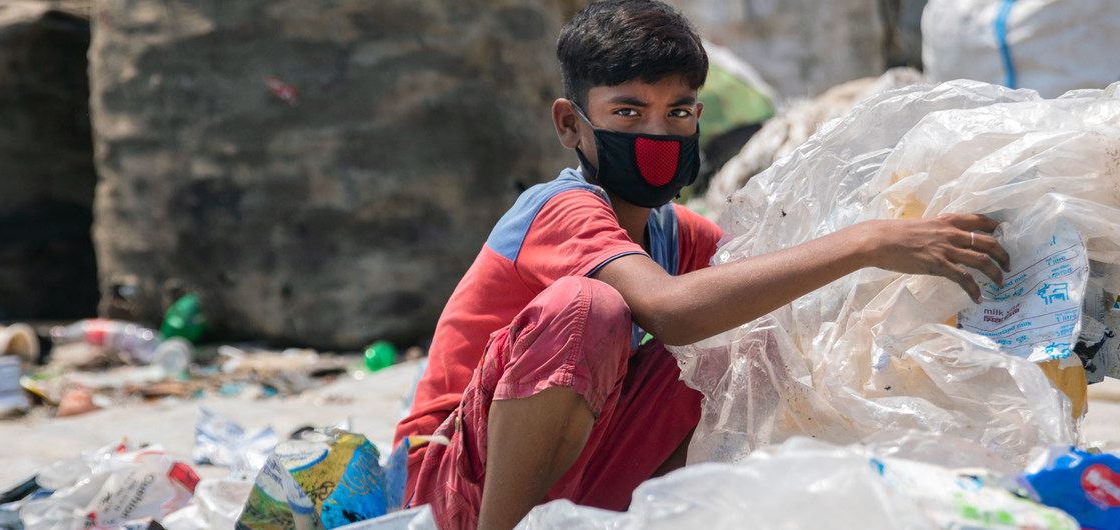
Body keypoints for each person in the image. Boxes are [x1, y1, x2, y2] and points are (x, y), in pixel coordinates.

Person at [394, 1, 1011, 528]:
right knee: (588, 308)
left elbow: (779, 290)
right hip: (450, 485)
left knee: (757, 330)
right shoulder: (559, 210)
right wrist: (866, 240)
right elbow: (671, 311)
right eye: (628, 113)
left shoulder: (677, 233)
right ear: (569, 124)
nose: (657, 136)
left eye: (678, 113)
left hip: (575, 476)